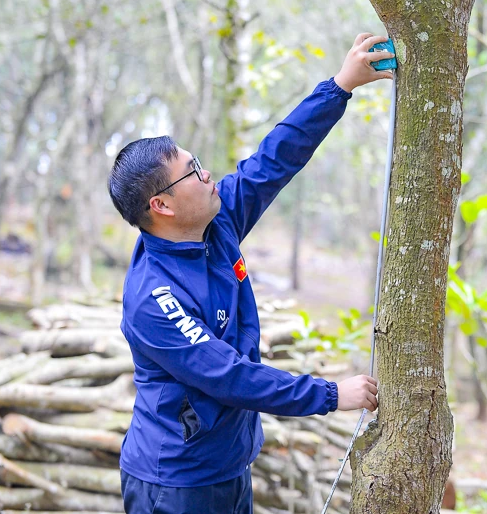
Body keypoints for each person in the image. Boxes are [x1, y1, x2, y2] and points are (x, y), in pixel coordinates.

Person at [106, 33, 394, 514]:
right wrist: (330, 394)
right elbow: (231, 377)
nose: (206, 174)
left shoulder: (216, 223)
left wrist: (341, 85)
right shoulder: (154, 298)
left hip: (231, 466)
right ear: (161, 206)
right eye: (192, 170)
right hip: (175, 485)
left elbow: (272, 161)